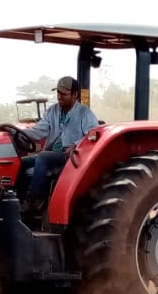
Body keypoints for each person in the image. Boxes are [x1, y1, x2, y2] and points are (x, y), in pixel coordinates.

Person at [18, 75, 99, 209]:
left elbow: (93, 135)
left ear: (75, 95)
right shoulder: (53, 111)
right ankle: (17, 199)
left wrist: (76, 144)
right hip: (53, 152)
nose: (59, 97)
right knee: (22, 162)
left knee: (43, 157)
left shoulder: (85, 114)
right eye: (58, 93)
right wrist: (17, 132)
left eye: (64, 94)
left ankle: (34, 199)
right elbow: (39, 131)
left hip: (70, 155)